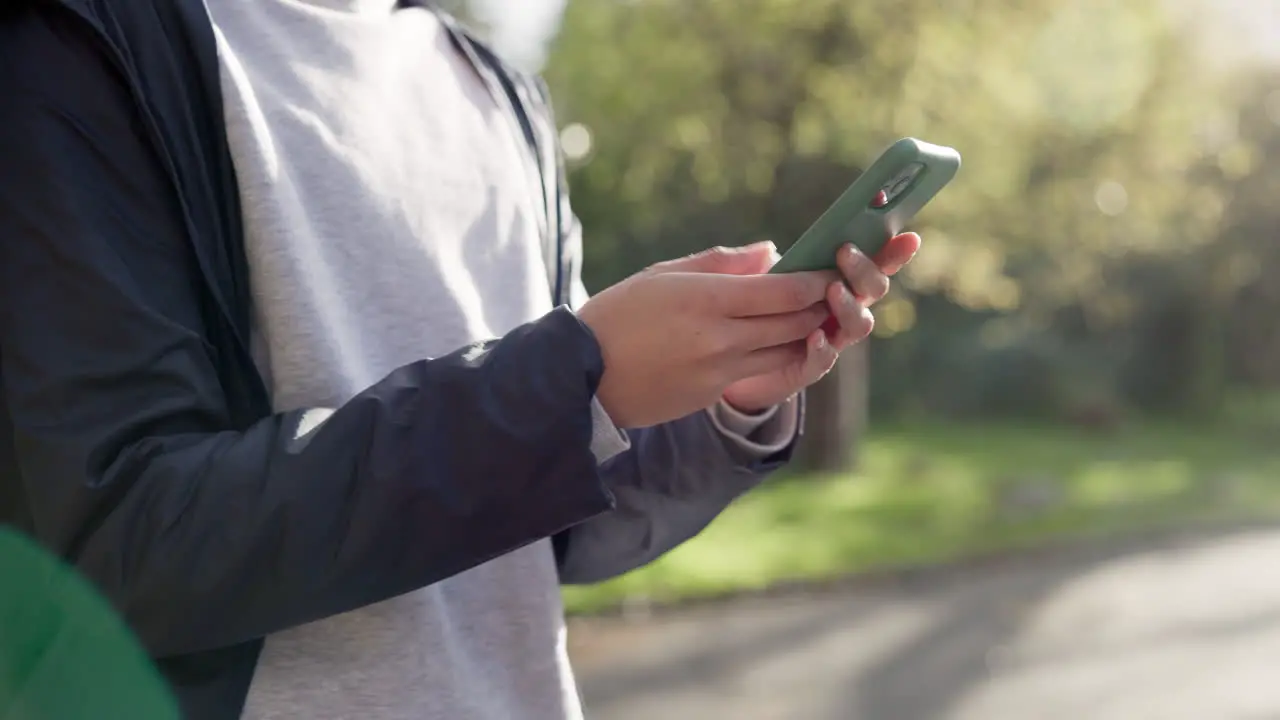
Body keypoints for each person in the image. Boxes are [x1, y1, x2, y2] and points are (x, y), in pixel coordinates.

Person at [0, 2, 921, 719]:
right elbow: (125, 542)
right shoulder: (74, 52)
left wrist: (728, 401)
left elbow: (551, 532)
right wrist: (576, 381)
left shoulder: (499, 91)